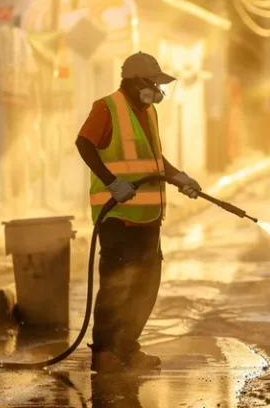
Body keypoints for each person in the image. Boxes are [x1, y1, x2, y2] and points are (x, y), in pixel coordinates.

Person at [75, 52, 202, 373]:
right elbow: (83, 143)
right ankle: (104, 353)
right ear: (135, 82)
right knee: (117, 285)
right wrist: (111, 182)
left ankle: (127, 348)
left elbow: (154, 160)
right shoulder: (107, 107)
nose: (158, 91)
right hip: (118, 216)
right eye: (154, 84)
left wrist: (179, 178)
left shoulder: (147, 112)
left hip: (148, 218)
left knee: (145, 287)